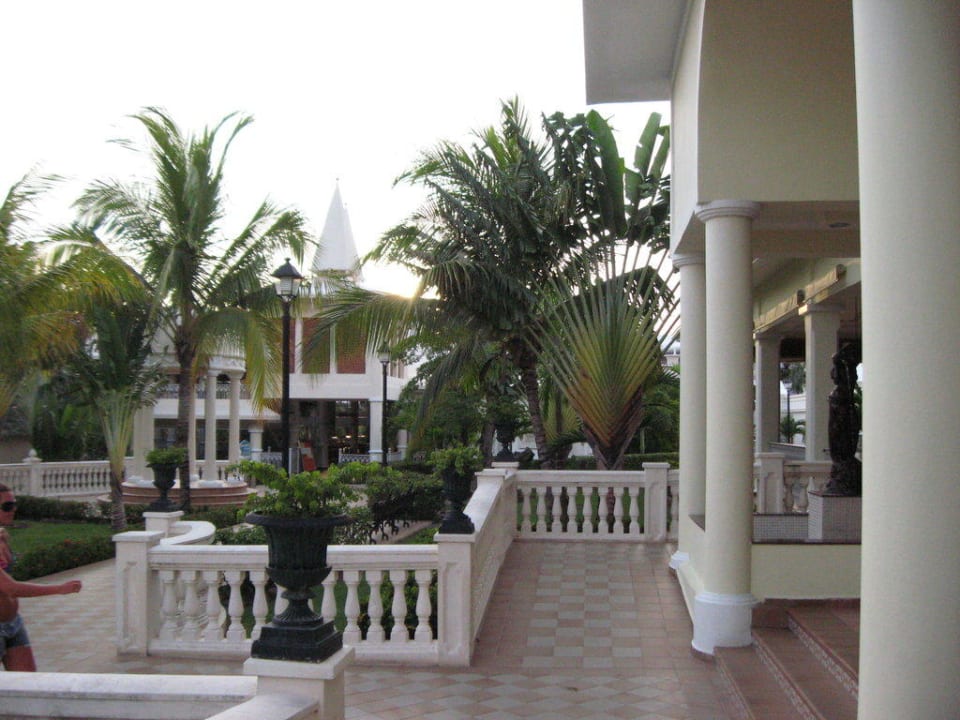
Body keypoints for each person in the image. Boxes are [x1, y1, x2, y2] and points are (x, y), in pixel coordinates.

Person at [0, 483, 82, 671]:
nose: (13, 510)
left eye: (14, 504)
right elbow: (9, 588)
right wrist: (59, 589)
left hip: (13, 623)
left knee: (28, 685)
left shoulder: (3, 537)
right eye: (7, 506)